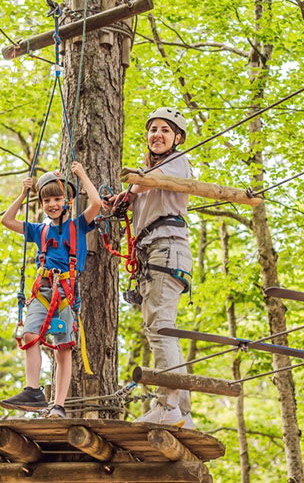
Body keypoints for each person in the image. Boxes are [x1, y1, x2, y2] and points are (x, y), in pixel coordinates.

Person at [106, 107, 194, 428]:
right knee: (163, 330)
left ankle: (168, 405)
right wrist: (121, 200)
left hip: (165, 249)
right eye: (153, 129)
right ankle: (181, 412)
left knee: (160, 330)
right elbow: (140, 190)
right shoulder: (148, 176)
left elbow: (145, 183)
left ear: (177, 138)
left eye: (165, 131)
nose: (157, 134)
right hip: (155, 254)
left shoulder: (176, 162)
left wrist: (130, 190)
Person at [0, 161, 101, 419]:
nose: (52, 205)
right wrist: (23, 195)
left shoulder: (78, 225)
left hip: (66, 292)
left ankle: (58, 405)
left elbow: (97, 204)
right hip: (43, 290)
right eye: (47, 201)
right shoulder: (39, 230)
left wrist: (82, 175)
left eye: (57, 199)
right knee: (28, 335)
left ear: (67, 200)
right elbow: (7, 220)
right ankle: (33, 391)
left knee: (63, 347)